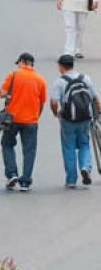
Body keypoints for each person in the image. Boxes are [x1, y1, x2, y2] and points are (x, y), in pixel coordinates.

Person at [0, 52, 46, 192]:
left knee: (7, 144)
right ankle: (25, 181)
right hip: (31, 120)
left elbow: (2, 93)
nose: (18, 65)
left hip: (11, 119)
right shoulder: (40, 80)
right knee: (29, 151)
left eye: (19, 62)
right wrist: (36, 116)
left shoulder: (13, 75)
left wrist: (5, 91)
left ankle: (12, 174)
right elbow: (42, 102)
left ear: (23, 62)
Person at [50, 54, 100, 188]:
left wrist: (56, 114)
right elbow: (95, 98)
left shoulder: (59, 82)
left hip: (68, 120)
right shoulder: (86, 78)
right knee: (84, 143)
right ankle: (85, 167)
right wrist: (97, 114)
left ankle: (71, 180)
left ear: (61, 67)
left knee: (69, 147)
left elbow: (54, 102)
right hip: (85, 118)